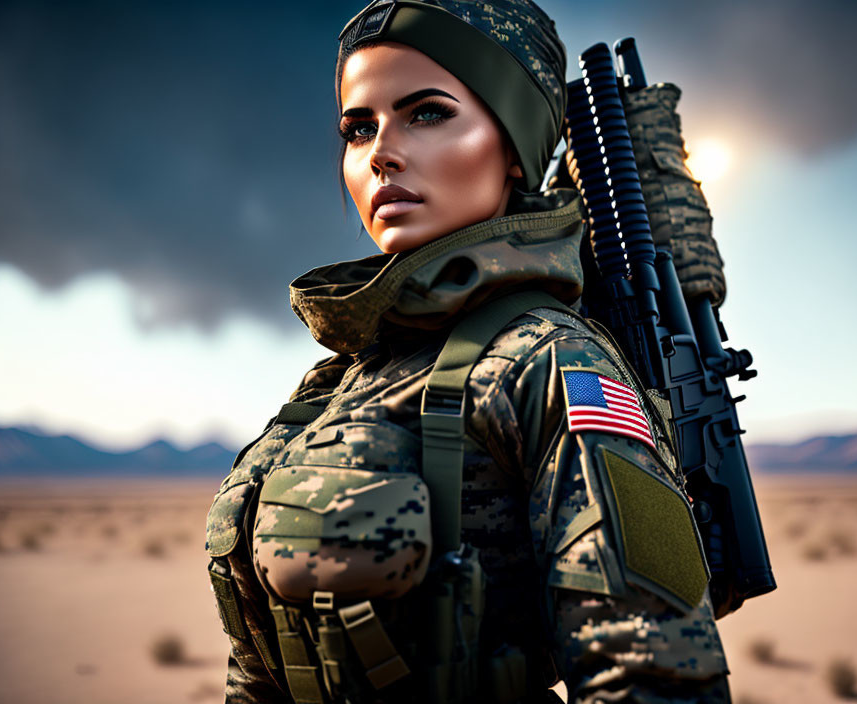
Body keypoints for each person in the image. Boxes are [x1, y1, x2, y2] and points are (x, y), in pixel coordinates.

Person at [206, 1, 731, 702]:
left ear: (513, 150)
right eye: (359, 128)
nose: (381, 152)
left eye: (426, 113)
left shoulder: (551, 360)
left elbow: (656, 678)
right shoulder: (339, 376)